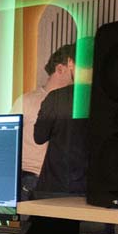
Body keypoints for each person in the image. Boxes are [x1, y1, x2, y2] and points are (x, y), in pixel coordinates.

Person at [33, 43, 89, 196]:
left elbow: (39, 136)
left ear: (70, 62)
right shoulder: (110, 100)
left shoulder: (57, 97)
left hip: (55, 185)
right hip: (92, 187)